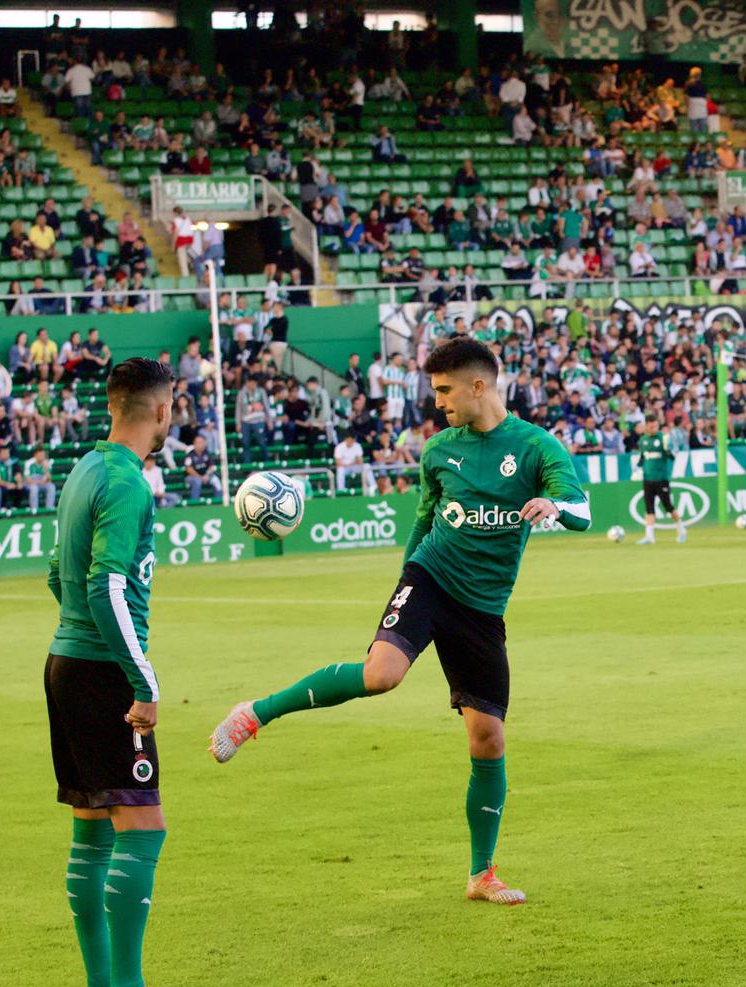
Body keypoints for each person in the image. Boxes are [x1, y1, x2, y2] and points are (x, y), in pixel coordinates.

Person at [207, 339, 592, 907]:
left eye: (443, 391)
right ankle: (255, 714)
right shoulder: (439, 450)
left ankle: (481, 875)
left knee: (488, 739)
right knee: (380, 674)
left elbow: (582, 508)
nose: (436, 403)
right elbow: (424, 519)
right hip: (430, 577)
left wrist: (555, 507)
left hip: (483, 607)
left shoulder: (537, 449)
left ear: (478, 386)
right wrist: (405, 582)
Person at [44, 356, 206, 987]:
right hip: (105, 673)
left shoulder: (85, 468)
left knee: (91, 834)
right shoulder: (130, 484)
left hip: (65, 663)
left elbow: (58, 573)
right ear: (163, 410)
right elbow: (103, 586)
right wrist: (142, 680)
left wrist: (83, 637)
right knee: (144, 825)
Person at [634, 415, 686, 545]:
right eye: (651, 427)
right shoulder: (643, 440)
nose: (654, 429)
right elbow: (641, 459)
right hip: (647, 479)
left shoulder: (664, 438)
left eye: (656, 426)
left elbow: (673, 457)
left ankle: (681, 529)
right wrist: (637, 470)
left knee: (668, 507)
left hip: (661, 479)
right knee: (649, 508)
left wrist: (667, 450)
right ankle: (649, 537)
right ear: (646, 426)